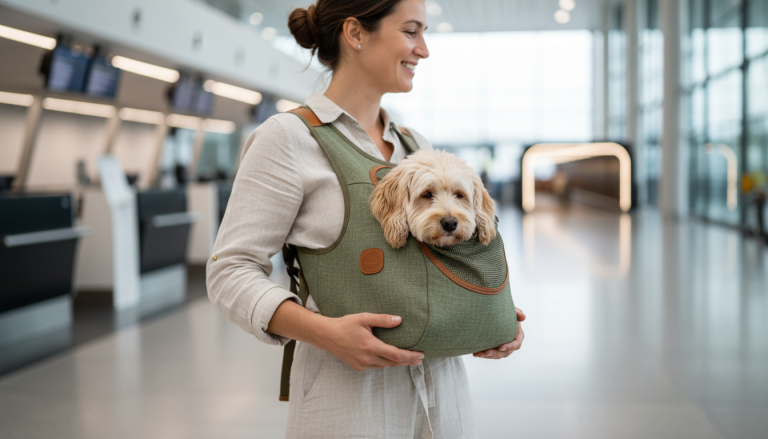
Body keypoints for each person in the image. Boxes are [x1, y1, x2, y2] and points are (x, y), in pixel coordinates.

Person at [206, 0, 526, 437]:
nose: (424, 50)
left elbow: (443, 264)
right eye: (411, 32)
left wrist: (489, 315)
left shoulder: (416, 144)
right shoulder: (287, 139)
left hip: (442, 399)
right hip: (347, 401)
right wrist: (324, 332)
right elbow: (230, 271)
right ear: (355, 33)